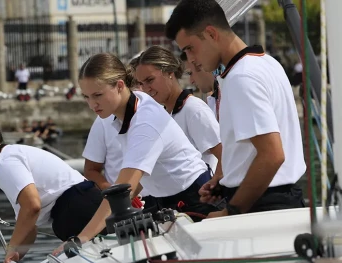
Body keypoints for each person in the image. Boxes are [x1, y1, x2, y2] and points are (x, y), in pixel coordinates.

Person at [55, 53, 216, 250]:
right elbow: (136, 180)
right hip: (165, 201)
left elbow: (125, 187)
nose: (92, 104)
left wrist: (81, 239)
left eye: (98, 95)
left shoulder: (144, 121)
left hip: (194, 200)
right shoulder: (131, 107)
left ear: (120, 86)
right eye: (86, 97)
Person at [166, 0, 306, 217]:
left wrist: (230, 211)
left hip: (263, 208)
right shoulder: (267, 63)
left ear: (211, 34)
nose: (191, 59)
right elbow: (258, 151)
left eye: (190, 49)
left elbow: (272, 156)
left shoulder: (242, 77)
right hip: (277, 200)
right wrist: (226, 181)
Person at [0, 123, 103, 263]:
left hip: (80, 210)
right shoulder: (11, 155)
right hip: (83, 207)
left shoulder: (6, 162)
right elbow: (29, 227)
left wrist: (12, 247)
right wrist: (10, 261)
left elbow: (32, 206)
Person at [130, 45, 222, 175]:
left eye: (150, 80)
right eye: (141, 83)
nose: (146, 89)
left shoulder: (193, 109)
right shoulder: (163, 114)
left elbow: (224, 157)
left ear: (169, 73)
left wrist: (211, 186)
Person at [180, 51, 221, 120]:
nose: (191, 81)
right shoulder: (213, 101)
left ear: (200, 65)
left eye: (190, 73)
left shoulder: (230, 94)